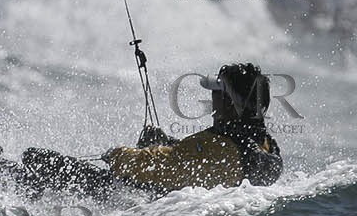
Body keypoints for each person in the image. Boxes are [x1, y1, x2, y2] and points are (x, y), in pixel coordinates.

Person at [99, 63, 284, 191]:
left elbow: (146, 165)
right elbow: (203, 158)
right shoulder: (265, 143)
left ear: (230, 103)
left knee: (71, 168)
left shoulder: (214, 147)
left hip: (172, 204)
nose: (212, 98)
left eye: (217, 93)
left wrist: (114, 154)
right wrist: (166, 142)